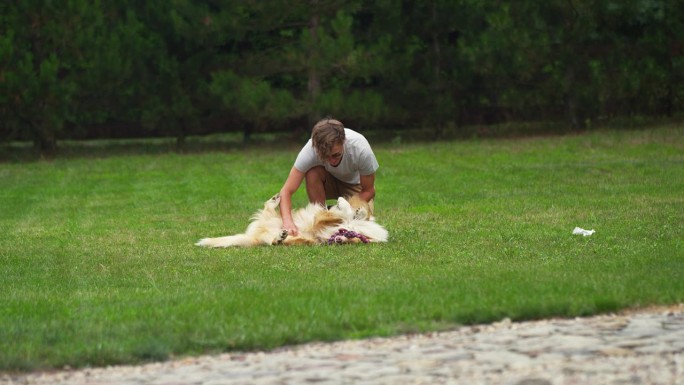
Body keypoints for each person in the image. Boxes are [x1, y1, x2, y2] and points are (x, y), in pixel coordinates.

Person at [278, 118, 379, 236]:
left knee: (361, 220)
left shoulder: (360, 147)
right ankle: (320, 216)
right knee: (312, 172)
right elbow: (286, 191)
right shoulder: (310, 150)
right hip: (328, 180)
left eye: (336, 155)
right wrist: (287, 222)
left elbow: (369, 191)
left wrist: (344, 210)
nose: (332, 161)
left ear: (344, 141)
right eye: (325, 156)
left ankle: (331, 216)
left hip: (356, 187)